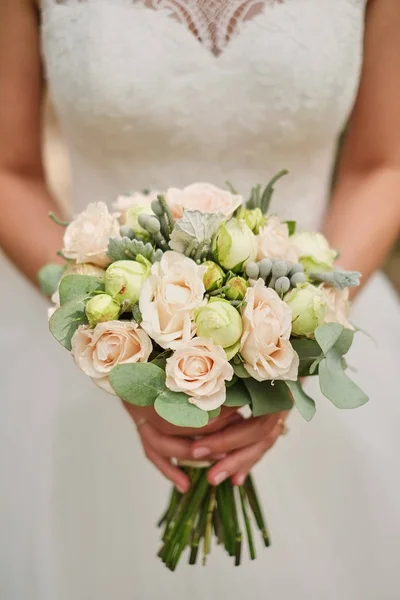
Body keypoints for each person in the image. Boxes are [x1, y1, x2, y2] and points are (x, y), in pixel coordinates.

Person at [0, 0, 399, 598]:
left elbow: (381, 165)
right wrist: (120, 358)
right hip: (82, 335)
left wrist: (286, 349)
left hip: (313, 306)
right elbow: (9, 170)